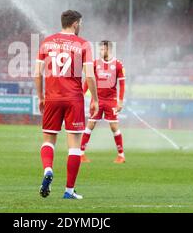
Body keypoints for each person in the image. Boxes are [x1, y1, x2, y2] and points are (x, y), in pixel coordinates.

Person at [34, 10, 99, 200]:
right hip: (74, 99)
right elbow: (90, 76)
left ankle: (48, 169)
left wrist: (40, 97)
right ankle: (69, 190)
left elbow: (37, 74)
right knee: (74, 147)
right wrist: (94, 99)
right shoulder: (83, 44)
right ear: (76, 23)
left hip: (52, 97)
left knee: (48, 140)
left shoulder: (47, 42)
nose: (81, 26)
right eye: (81, 23)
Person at [80, 40, 126, 163]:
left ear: (109, 50)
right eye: (99, 49)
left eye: (102, 49)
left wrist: (120, 101)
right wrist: (81, 94)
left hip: (111, 101)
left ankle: (121, 155)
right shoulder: (95, 64)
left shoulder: (118, 65)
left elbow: (122, 84)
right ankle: (81, 154)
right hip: (97, 100)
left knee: (114, 126)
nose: (100, 52)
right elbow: (88, 81)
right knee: (90, 124)